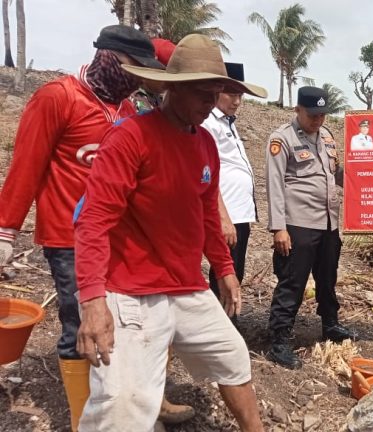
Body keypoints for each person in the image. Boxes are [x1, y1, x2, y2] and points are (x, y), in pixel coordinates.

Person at [0, 24, 192, 431]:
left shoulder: (126, 111)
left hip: (118, 240)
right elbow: (27, 166)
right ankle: (82, 417)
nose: (141, 79)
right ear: (110, 58)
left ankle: (141, 402)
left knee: (134, 321)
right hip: (67, 238)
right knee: (79, 326)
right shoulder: (58, 98)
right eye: (136, 68)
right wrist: (5, 231)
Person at [73, 34, 268, 432]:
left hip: (184, 284)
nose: (211, 103)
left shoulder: (206, 145)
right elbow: (93, 220)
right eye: (202, 93)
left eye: (216, 93)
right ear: (173, 88)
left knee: (233, 357)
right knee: (124, 404)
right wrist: (93, 301)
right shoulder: (131, 137)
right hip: (128, 287)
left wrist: (225, 269)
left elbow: (207, 216)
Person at [265, 86, 358, 369]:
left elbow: (335, 174)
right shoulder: (282, 139)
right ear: (298, 110)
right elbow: (274, 185)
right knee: (292, 282)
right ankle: (279, 339)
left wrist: (366, 177)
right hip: (298, 224)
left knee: (327, 279)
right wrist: (279, 228)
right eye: (312, 115)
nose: (317, 120)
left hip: (328, 222)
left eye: (322, 114)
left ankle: (330, 324)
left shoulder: (327, 137)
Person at [202, 62, 258, 323]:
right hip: (226, 214)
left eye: (240, 96)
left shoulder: (227, 123)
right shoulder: (209, 124)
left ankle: (227, 325)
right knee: (224, 273)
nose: (236, 101)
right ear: (216, 91)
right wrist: (221, 216)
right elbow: (208, 173)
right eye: (231, 94)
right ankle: (222, 328)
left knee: (236, 271)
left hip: (238, 212)